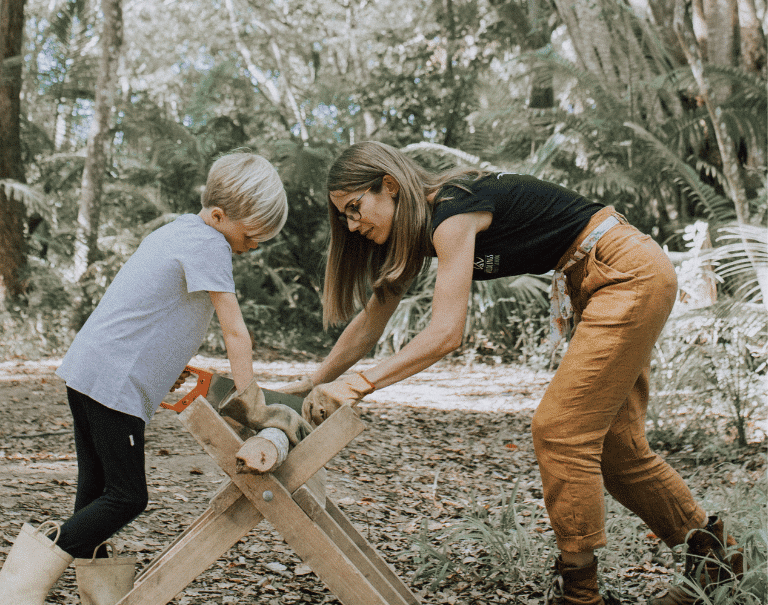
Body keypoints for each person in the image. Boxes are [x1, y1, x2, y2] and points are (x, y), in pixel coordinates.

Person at [290, 142, 741, 605]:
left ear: (389, 186)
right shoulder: (420, 232)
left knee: (560, 431)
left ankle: (579, 596)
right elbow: (371, 320)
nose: (351, 224)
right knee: (618, 449)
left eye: (354, 207)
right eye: (343, 216)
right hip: (605, 275)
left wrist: (360, 384)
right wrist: (312, 382)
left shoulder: (451, 212)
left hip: (625, 271)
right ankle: (718, 568)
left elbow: (446, 333)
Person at [0, 152, 289, 605]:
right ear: (218, 216)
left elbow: (147, 310)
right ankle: (15, 588)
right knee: (127, 497)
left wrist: (167, 366)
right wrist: (250, 400)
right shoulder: (210, 244)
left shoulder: (176, 229)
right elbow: (235, 329)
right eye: (251, 235)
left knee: (94, 495)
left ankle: (98, 597)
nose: (253, 246)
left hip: (88, 370)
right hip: (115, 384)